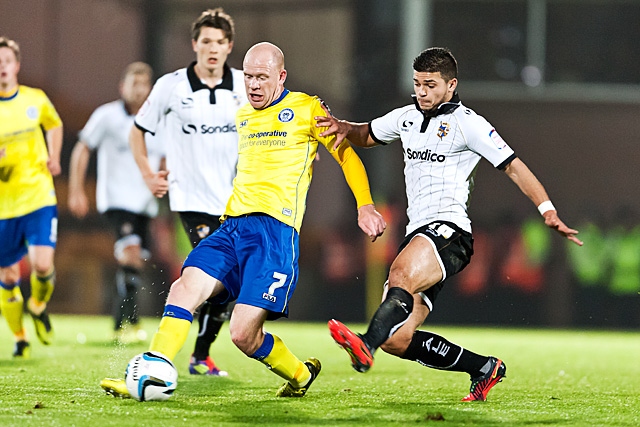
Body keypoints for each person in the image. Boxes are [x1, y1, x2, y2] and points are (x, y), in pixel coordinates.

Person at [100, 41, 387, 399]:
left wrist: (365, 205)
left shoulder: (306, 108)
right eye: (248, 76)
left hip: (274, 236)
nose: (252, 84)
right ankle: (152, 370)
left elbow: (346, 155)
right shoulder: (243, 114)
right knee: (184, 288)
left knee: (242, 335)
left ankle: (299, 374)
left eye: (262, 77)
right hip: (232, 226)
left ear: (281, 77)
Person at [318, 47, 583, 401]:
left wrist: (546, 209)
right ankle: (484, 368)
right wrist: (341, 127)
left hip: (449, 232)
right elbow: (366, 134)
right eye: (417, 84)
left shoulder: (468, 123)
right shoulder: (406, 117)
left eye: (430, 84)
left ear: (451, 85)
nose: (422, 92)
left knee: (399, 276)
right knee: (398, 338)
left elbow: (513, 165)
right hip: (420, 236)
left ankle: (365, 344)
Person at [127, 8, 246, 376]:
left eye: (220, 42)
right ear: (195, 44)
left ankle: (200, 355)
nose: (212, 49)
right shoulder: (171, 86)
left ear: (229, 47)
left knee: (231, 284)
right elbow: (138, 131)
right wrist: (148, 174)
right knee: (215, 275)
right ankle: (180, 354)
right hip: (192, 200)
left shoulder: (244, 85)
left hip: (238, 201)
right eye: (206, 41)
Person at [68, 62, 164, 343]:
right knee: (131, 253)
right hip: (116, 201)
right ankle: (129, 325)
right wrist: (76, 189)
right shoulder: (107, 116)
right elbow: (82, 147)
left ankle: (120, 322)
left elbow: (167, 158)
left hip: (146, 205)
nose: (138, 89)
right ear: (122, 87)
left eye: (144, 84)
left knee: (133, 264)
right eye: (133, 83)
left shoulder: (160, 121)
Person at [0, 36, 63, 358]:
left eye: (6, 61)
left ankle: (38, 306)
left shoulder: (34, 99)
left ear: (16, 66)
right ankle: (20, 338)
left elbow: (54, 124)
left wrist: (54, 156)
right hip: (3, 206)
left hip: (38, 197)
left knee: (41, 265)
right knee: (8, 276)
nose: (2, 67)